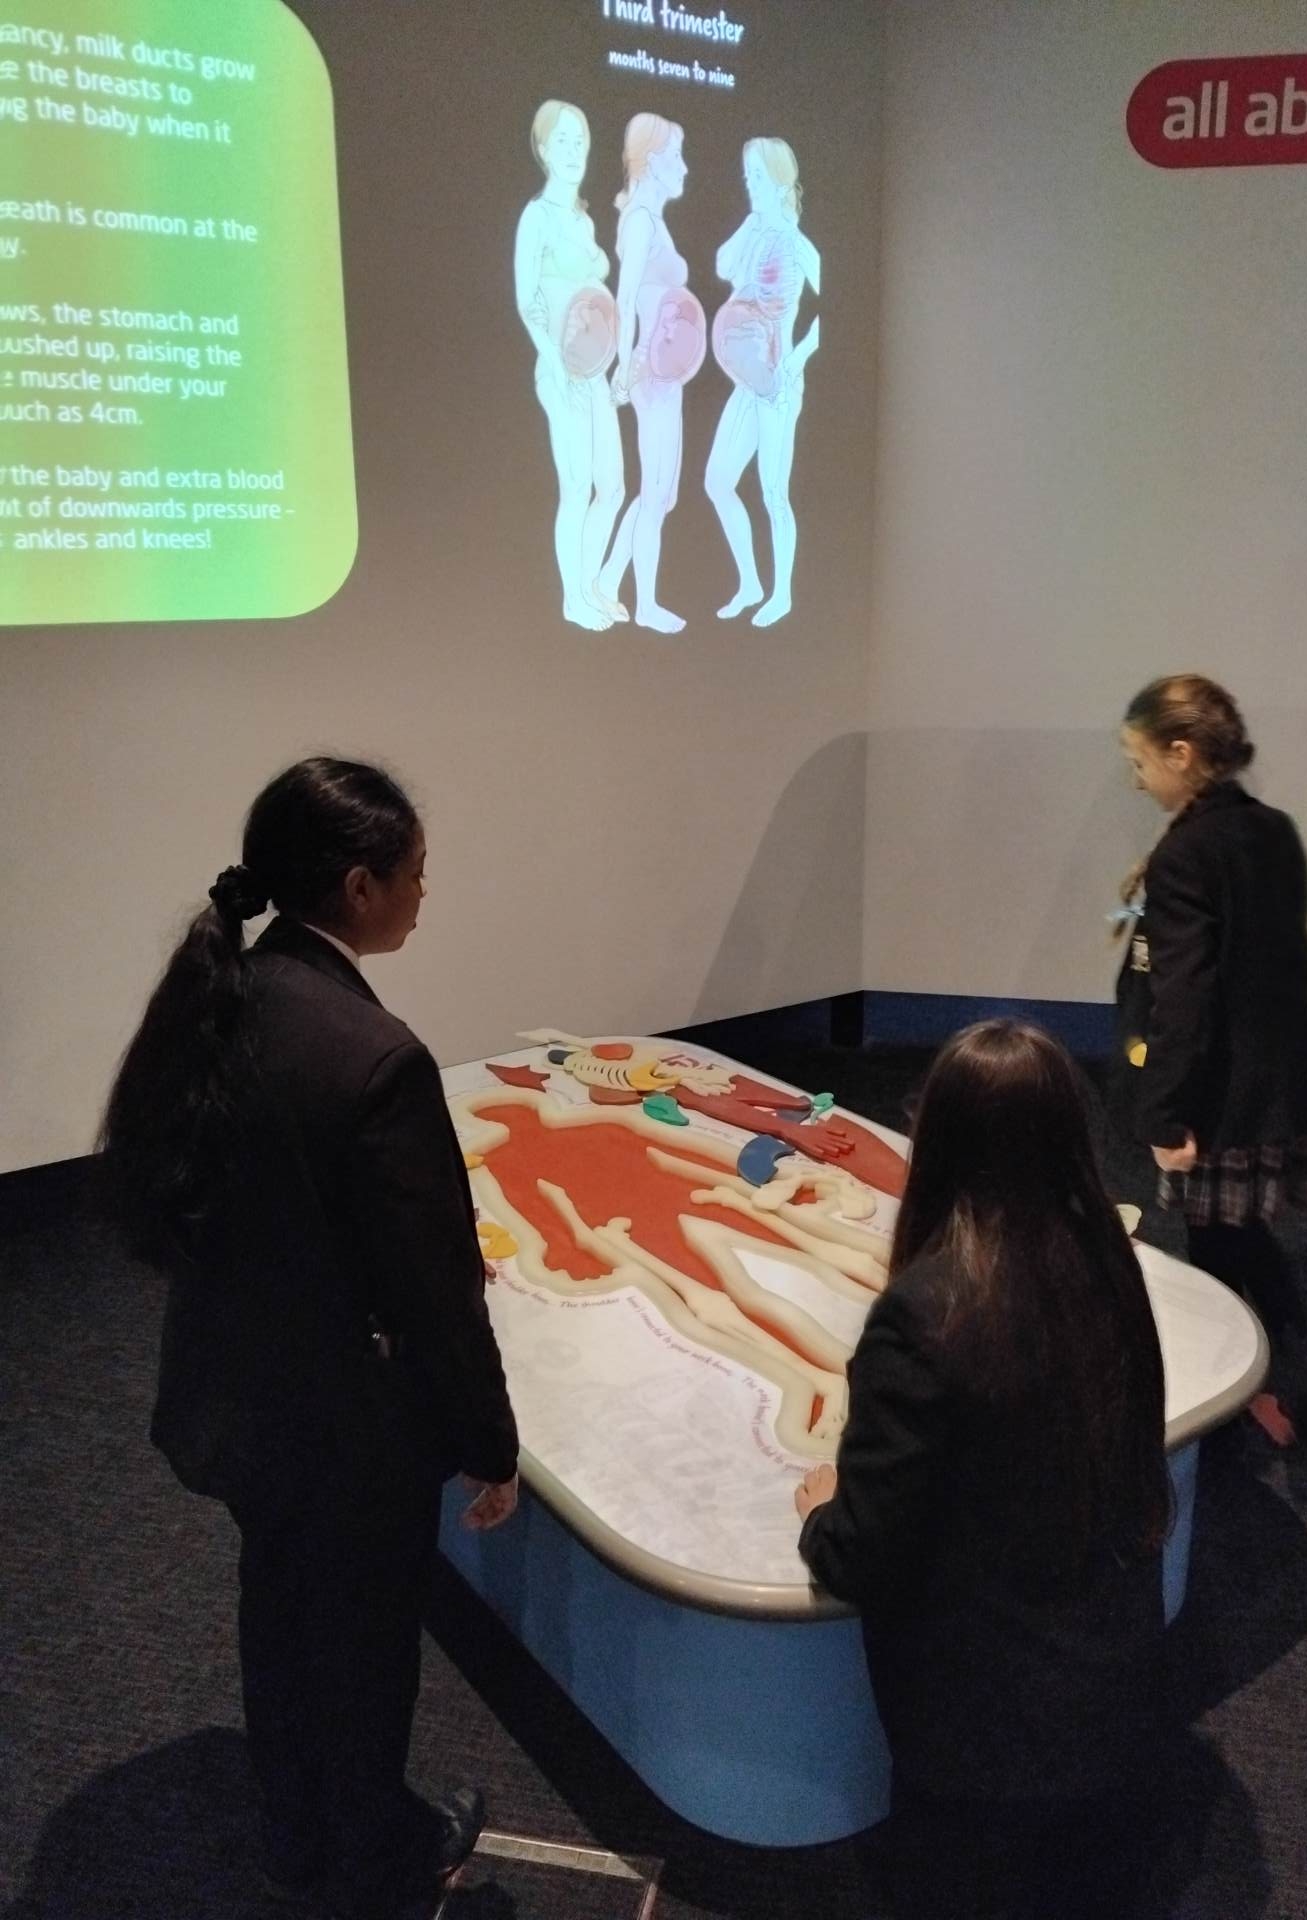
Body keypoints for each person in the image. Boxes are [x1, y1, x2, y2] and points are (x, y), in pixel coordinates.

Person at [99, 758, 520, 1919]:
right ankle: (381, 1857)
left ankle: (293, 1834)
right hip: (346, 1427)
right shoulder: (375, 1057)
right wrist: (490, 1444)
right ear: (360, 886)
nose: (425, 892)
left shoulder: (226, 993)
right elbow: (438, 1294)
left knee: (279, 1616)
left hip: (239, 1395)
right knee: (368, 1650)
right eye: (416, 872)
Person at [796, 1021, 1170, 1919]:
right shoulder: (1108, 1266)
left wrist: (822, 1509)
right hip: (1116, 1696)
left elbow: (862, 1556)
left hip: (980, 1742)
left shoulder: (923, 1314)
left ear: (939, 1141)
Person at [1116, 672, 1307, 1447]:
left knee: (1218, 1245)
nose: (1136, 778)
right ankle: (1297, 1390)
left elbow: (1183, 997)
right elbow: (1288, 967)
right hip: (1279, 1082)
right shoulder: (1271, 829)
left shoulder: (1187, 853)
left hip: (1217, 1093)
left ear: (1182, 753)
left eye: (1140, 760)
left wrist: (1162, 1113)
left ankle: (1246, 1400)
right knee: (1242, 1236)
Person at [515, 100, 627, 631]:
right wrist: (552, 361)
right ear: (542, 149)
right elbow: (526, 301)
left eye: (579, 141)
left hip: (594, 372)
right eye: (561, 140)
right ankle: (573, 600)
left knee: (613, 486)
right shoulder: (535, 217)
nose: (572, 150)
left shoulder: (583, 220)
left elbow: (593, 285)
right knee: (577, 484)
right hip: (560, 373)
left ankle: (590, 587)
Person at [705, 137, 820, 627]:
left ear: (778, 182)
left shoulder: (796, 244)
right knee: (717, 481)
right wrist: (751, 223)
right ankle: (750, 582)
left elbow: (831, 310)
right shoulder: (754, 233)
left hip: (778, 387)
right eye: (746, 175)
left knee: (774, 492)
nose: (748, 183)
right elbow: (722, 265)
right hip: (747, 382)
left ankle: (782, 594)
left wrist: (797, 359)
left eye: (756, 175)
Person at [596, 113, 697, 633]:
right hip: (649, 372)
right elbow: (627, 294)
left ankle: (609, 578)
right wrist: (623, 362)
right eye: (676, 156)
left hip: (665, 372)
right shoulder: (639, 220)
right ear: (653, 161)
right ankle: (646, 604)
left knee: (664, 493)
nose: (685, 167)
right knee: (655, 491)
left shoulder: (652, 219)